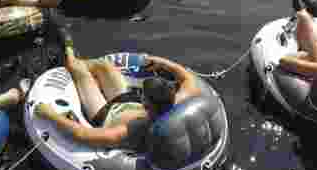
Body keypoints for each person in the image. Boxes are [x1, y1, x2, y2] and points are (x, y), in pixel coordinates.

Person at [32, 26, 202, 149]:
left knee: (80, 73)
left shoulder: (131, 129)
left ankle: (69, 54)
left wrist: (50, 114)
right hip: (127, 103)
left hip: (105, 114)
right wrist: (161, 62)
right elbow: (188, 78)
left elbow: (82, 135)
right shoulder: (176, 102)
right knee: (104, 66)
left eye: (144, 94)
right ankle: (76, 64)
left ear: (146, 101)